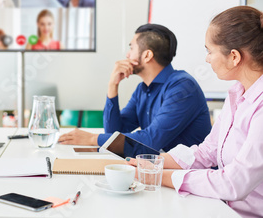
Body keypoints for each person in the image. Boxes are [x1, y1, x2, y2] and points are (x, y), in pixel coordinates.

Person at [130, 6, 263, 218]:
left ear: (235, 57)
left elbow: (234, 183)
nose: (207, 59)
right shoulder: (237, 94)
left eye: (210, 51)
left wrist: (157, 176)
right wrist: (155, 163)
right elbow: (206, 151)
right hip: (220, 208)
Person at [59, 24, 212, 151]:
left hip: (191, 177)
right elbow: (114, 134)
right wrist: (113, 85)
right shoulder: (143, 89)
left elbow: (150, 141)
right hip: (163, 172)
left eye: (131, 48)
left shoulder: (183, 87)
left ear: (147, 56)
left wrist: (93, 139)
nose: (127, 54)